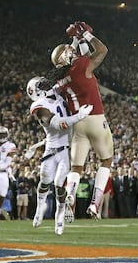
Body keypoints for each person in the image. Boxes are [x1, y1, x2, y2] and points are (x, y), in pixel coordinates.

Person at [49, 20, 113, 220]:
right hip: (95, 117)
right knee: (106, 160)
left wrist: (74, 41)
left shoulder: (60, 79)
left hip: (77, 123)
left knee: (76, 167)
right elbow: (102, 51)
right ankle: (95, 204)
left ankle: (70, 195)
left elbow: (70, 59)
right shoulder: (80, 67)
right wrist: (85, 35)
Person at [26, 76, 92, 235]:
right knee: (45, 181)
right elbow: (58, 123)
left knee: (59, 185)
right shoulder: (39, 106)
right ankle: (40, 206)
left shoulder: (55, 95)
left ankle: (59, 216)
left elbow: (63, 82)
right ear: (36, 93)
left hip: (65, 150)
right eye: (42, 85)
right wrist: (80, 116)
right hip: (51, 149)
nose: (47, 85)